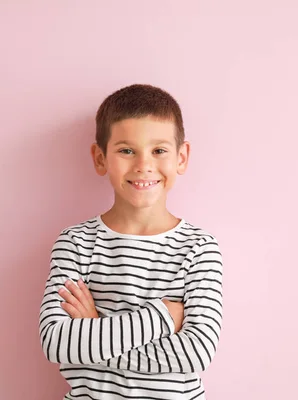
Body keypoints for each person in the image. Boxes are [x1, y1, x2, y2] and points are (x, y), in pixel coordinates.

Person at [38, 83, 224, 400]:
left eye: (159, 150)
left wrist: (94, 331)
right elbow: (57, 343)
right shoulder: (76, 243)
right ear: (100, 158)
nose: (143, 165)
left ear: (181, 157)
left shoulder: (200, 248)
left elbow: (196, 352)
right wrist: (161, 317)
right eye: (126, 150)